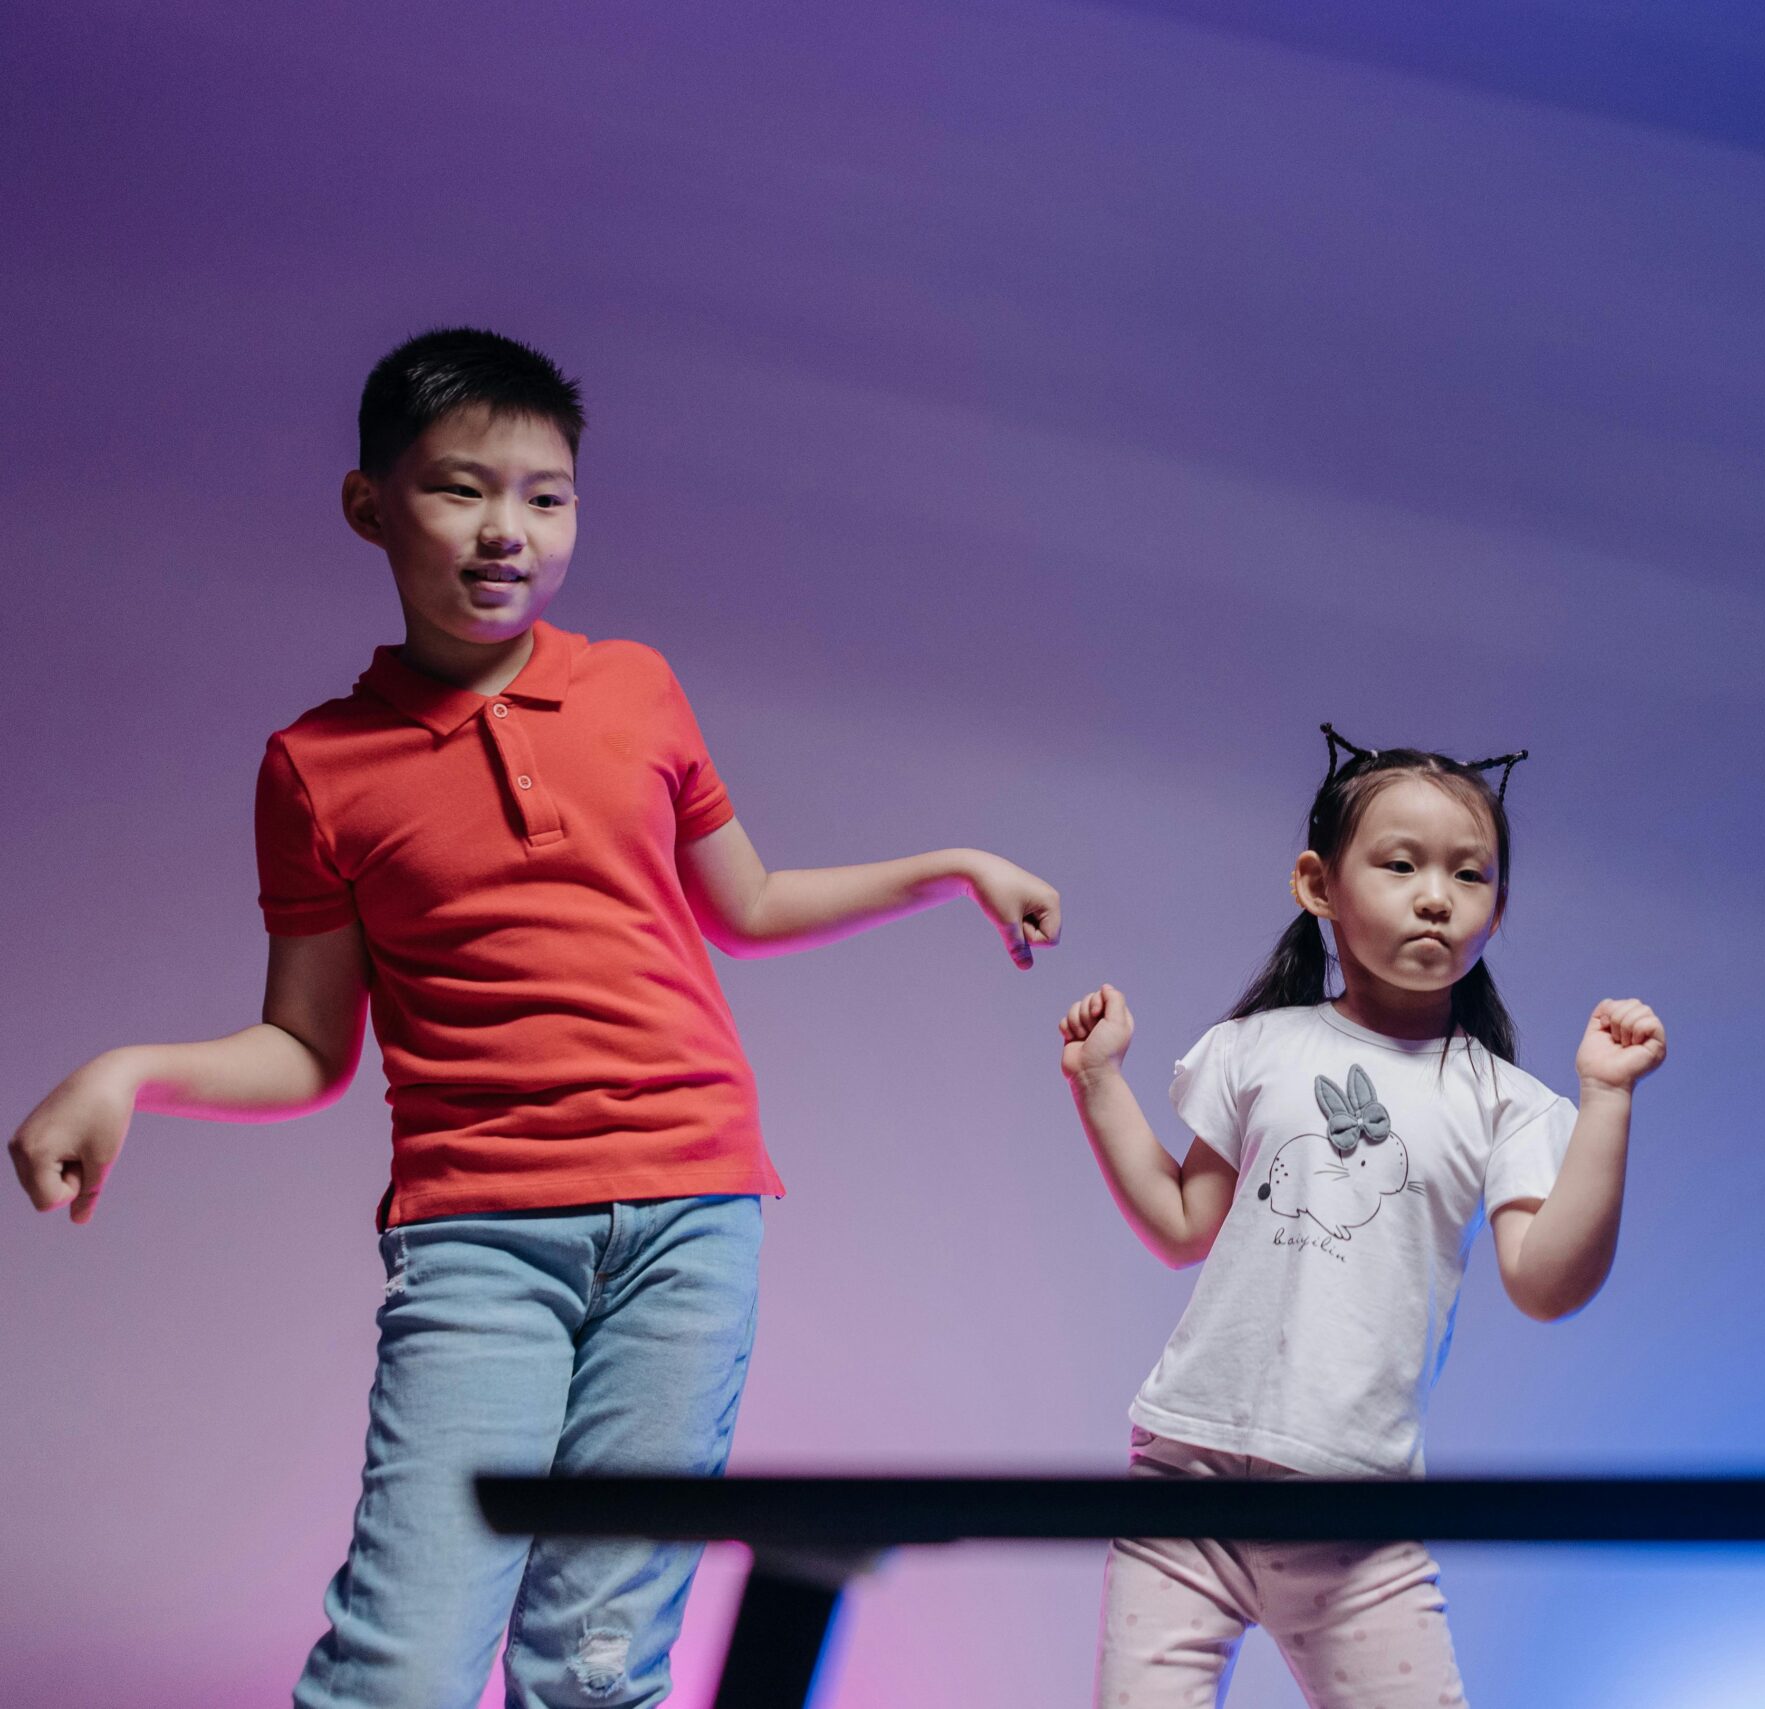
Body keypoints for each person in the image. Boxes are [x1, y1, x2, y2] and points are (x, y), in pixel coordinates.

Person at [6, 327, 1064, 1708]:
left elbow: (744, 904)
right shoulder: (316, 768)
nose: (507, 528)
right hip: (479, 1242)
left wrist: (951, 867)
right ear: (370, 504)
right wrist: (126, 1072)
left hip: (691, 1220)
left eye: (545, 496)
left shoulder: (637, 687)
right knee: (401, 1663)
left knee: (599, 1661)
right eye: (460, 488)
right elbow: (309, 1047)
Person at [1057, 725, 1667, 1708]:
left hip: (1355, 1510)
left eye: (1469, 875)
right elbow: (1181, 1224)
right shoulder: (1255, 1046)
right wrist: (1098, 1084)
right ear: (1318, 884)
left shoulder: (1502, 1100)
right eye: (1400, 863)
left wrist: (1607, 1098)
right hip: (1185, 1481)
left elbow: (1546, 1285)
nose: (1436, 895)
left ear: (1497, 908)